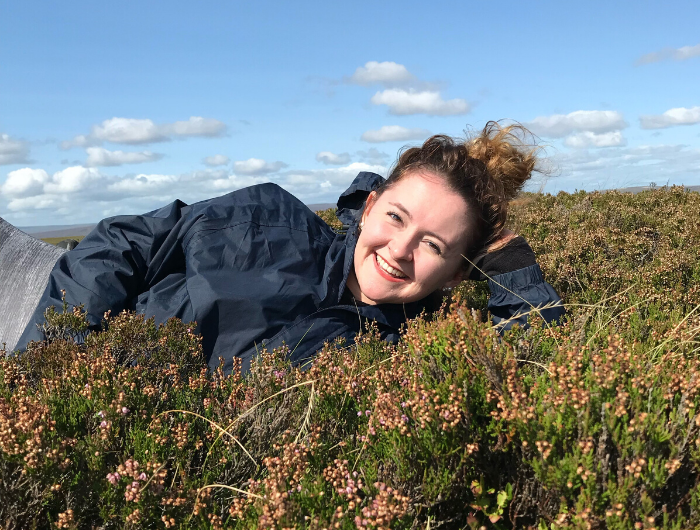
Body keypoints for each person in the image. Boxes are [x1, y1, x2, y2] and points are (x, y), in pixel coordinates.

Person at [13, 122, 564, 375]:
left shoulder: (411, 354)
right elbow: (124, 243)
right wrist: (50, 358)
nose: (399, 249)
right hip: (47, 336)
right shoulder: (266, 214)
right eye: (396, 216)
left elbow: (538, 372)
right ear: (369, 206)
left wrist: (508, 263)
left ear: (451, 274)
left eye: (434, 245)